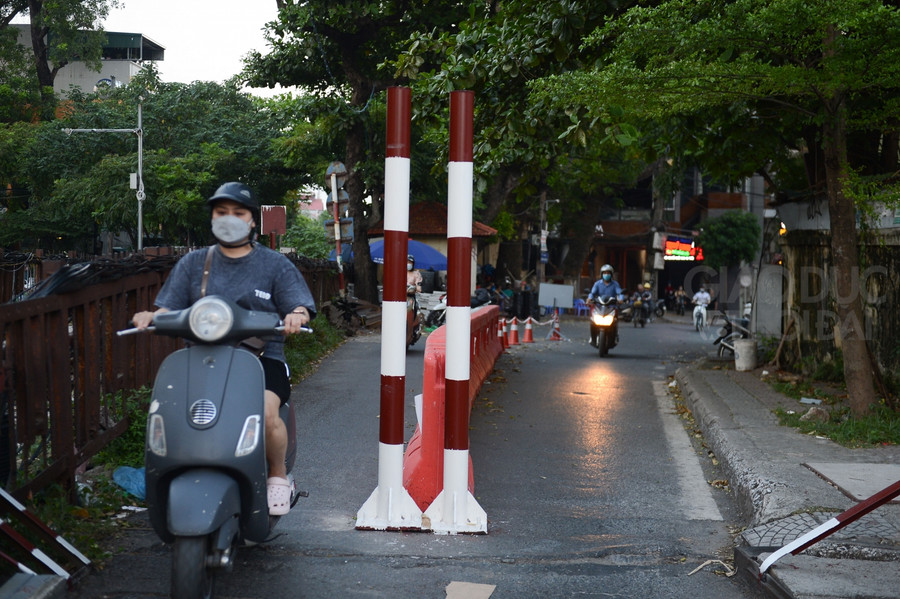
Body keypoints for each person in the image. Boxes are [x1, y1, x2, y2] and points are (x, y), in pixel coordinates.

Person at [131, 182, 317, 516]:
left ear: (252, 221)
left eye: (238, 212)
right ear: (212, 218)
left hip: (260, 361)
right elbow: (167, 308)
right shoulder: (192, 263)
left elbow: (300, 305)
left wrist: (295, 316)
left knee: (266, 412)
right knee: (169, 413)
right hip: (200, 360)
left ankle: (277, 474)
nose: (229, 218)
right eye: (221, 212)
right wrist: (151, 316)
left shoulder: (274, 265)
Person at [587, 264, 623, 347]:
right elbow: (592, 293)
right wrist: (589, 298)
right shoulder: (597, 284)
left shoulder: (615, 284)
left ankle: (614, 336)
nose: (606, 274)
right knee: (592, 320)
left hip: (611, 307)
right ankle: (593, 337)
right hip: (599, 307)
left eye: (608, 273)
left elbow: (619, 293)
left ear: (611, 274)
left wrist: (620, 299)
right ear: (601, 274)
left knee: (615, 321)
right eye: (605, 273)